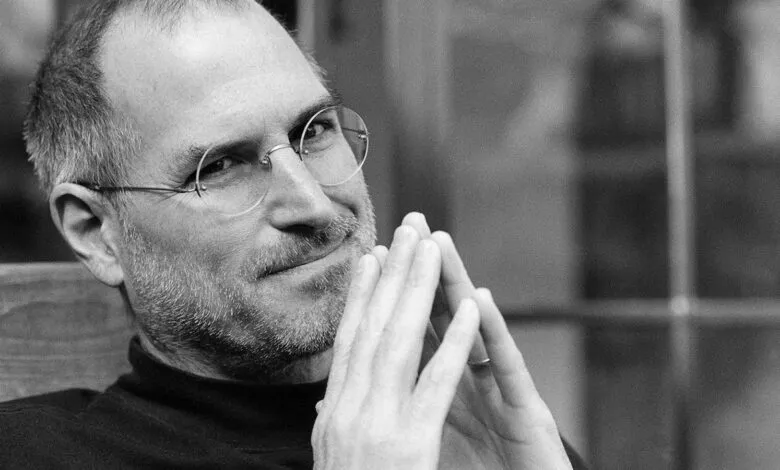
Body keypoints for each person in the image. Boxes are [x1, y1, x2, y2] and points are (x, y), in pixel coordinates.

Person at [1, 0, 588, 468]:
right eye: (221, 166)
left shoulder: (480, 438)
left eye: (315, 130)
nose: (312, 202)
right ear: (96, 232)